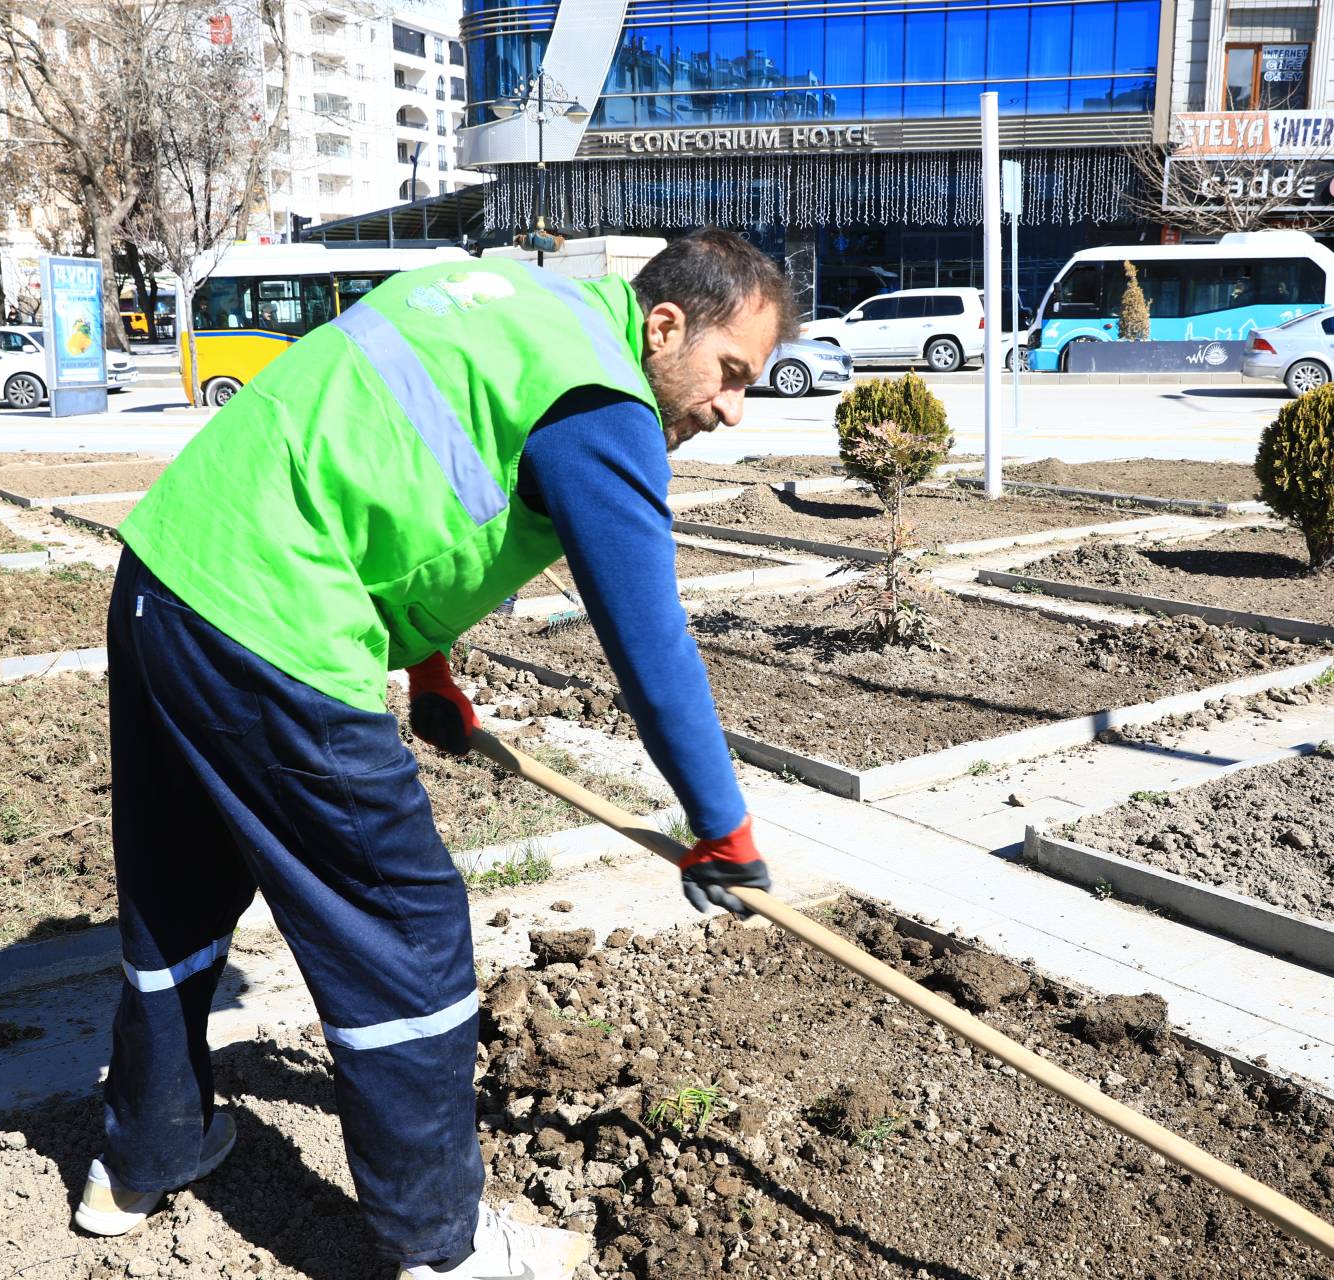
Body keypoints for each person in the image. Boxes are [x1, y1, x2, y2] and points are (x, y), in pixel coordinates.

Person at [73, 230, 794, 1279]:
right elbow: (650, 639)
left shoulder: (507, 301)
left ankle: (142, 1156)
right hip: (273, 621)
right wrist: (721, 825)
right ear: (666, 322)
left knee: (179, 890)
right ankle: (441, 1250)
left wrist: (428, 668)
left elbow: (390, 464)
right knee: (405, 929)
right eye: (732, 374)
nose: (731, 408)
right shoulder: (601, 403)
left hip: (166, 577)